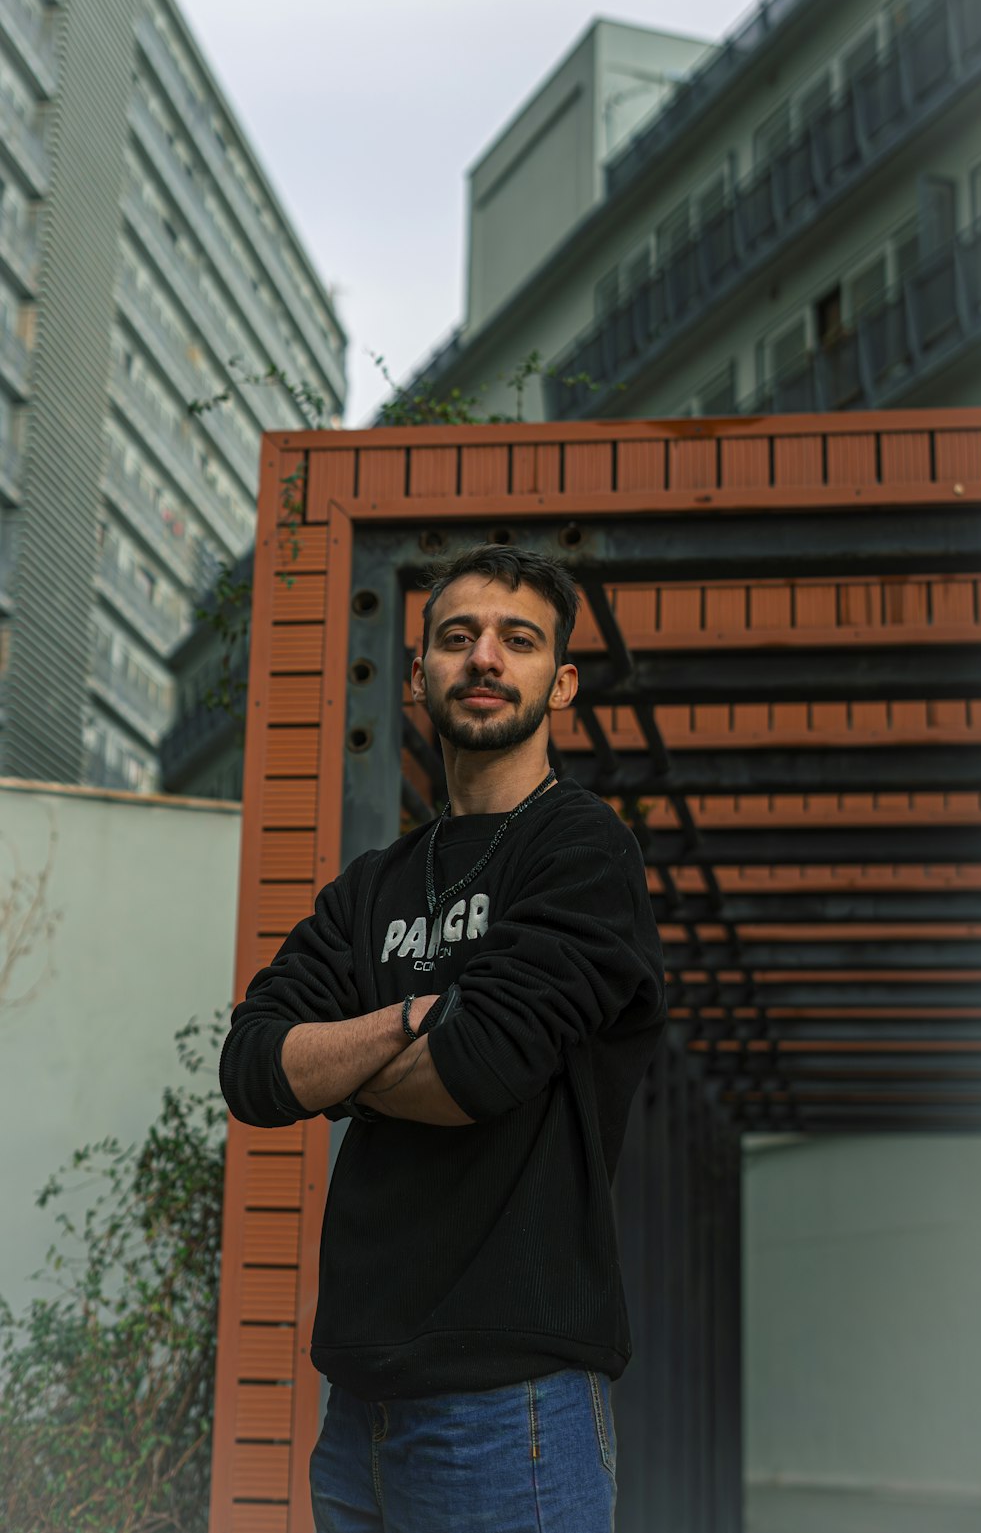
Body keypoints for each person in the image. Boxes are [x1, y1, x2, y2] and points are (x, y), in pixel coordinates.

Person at [220, 545, 667, 1532]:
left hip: (513, 1407)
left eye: (517, 638)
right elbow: (252, 1065)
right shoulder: (373, 884)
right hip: (357, 1408)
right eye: (456, 636)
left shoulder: (581, 849)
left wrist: (333, 1066)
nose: (483, 658)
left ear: (560, 682)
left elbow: (472, 1070)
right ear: (419, 669)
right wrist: (411, 1019)